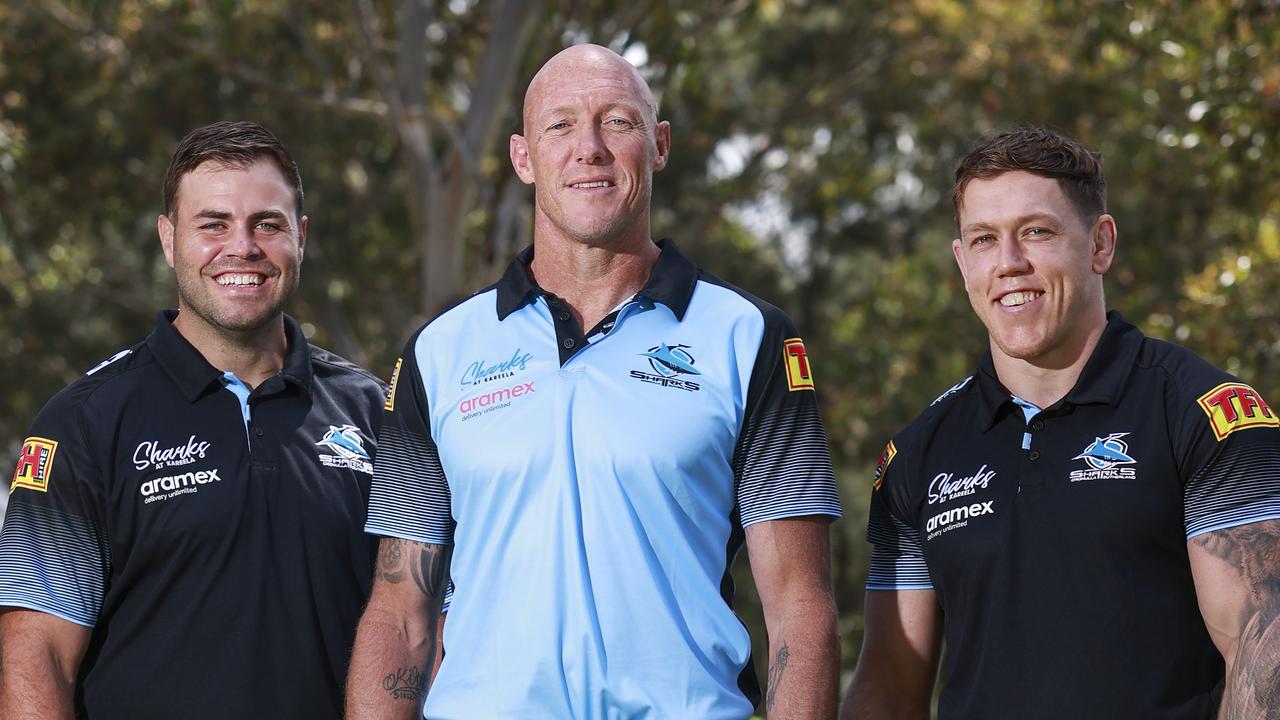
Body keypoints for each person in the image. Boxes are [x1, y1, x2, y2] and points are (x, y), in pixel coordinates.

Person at [345, 44, 843, 719]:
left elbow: (798, 609)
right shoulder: (439, 352)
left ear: (659, 144)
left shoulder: (750, 337)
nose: (590, 149)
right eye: (560, 125)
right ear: (523, 157)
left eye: (617, 122)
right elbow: (400, 612)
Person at [842, 127, 1280, 719]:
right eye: (984, 240)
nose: (1009, 264)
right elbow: (890, 689)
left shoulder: (1205, 413)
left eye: (1036, 232)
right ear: (961, 261)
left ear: (1100, 243)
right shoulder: (916, 454)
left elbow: (1263, 647)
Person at [0, 121, 385, 719]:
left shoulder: (375, 414)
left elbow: (419, 626)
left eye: (268, 223)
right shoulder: (83, 423)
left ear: (300, 237)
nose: (243, 247)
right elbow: (36, 659)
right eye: (213, 224)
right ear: (168, 238)